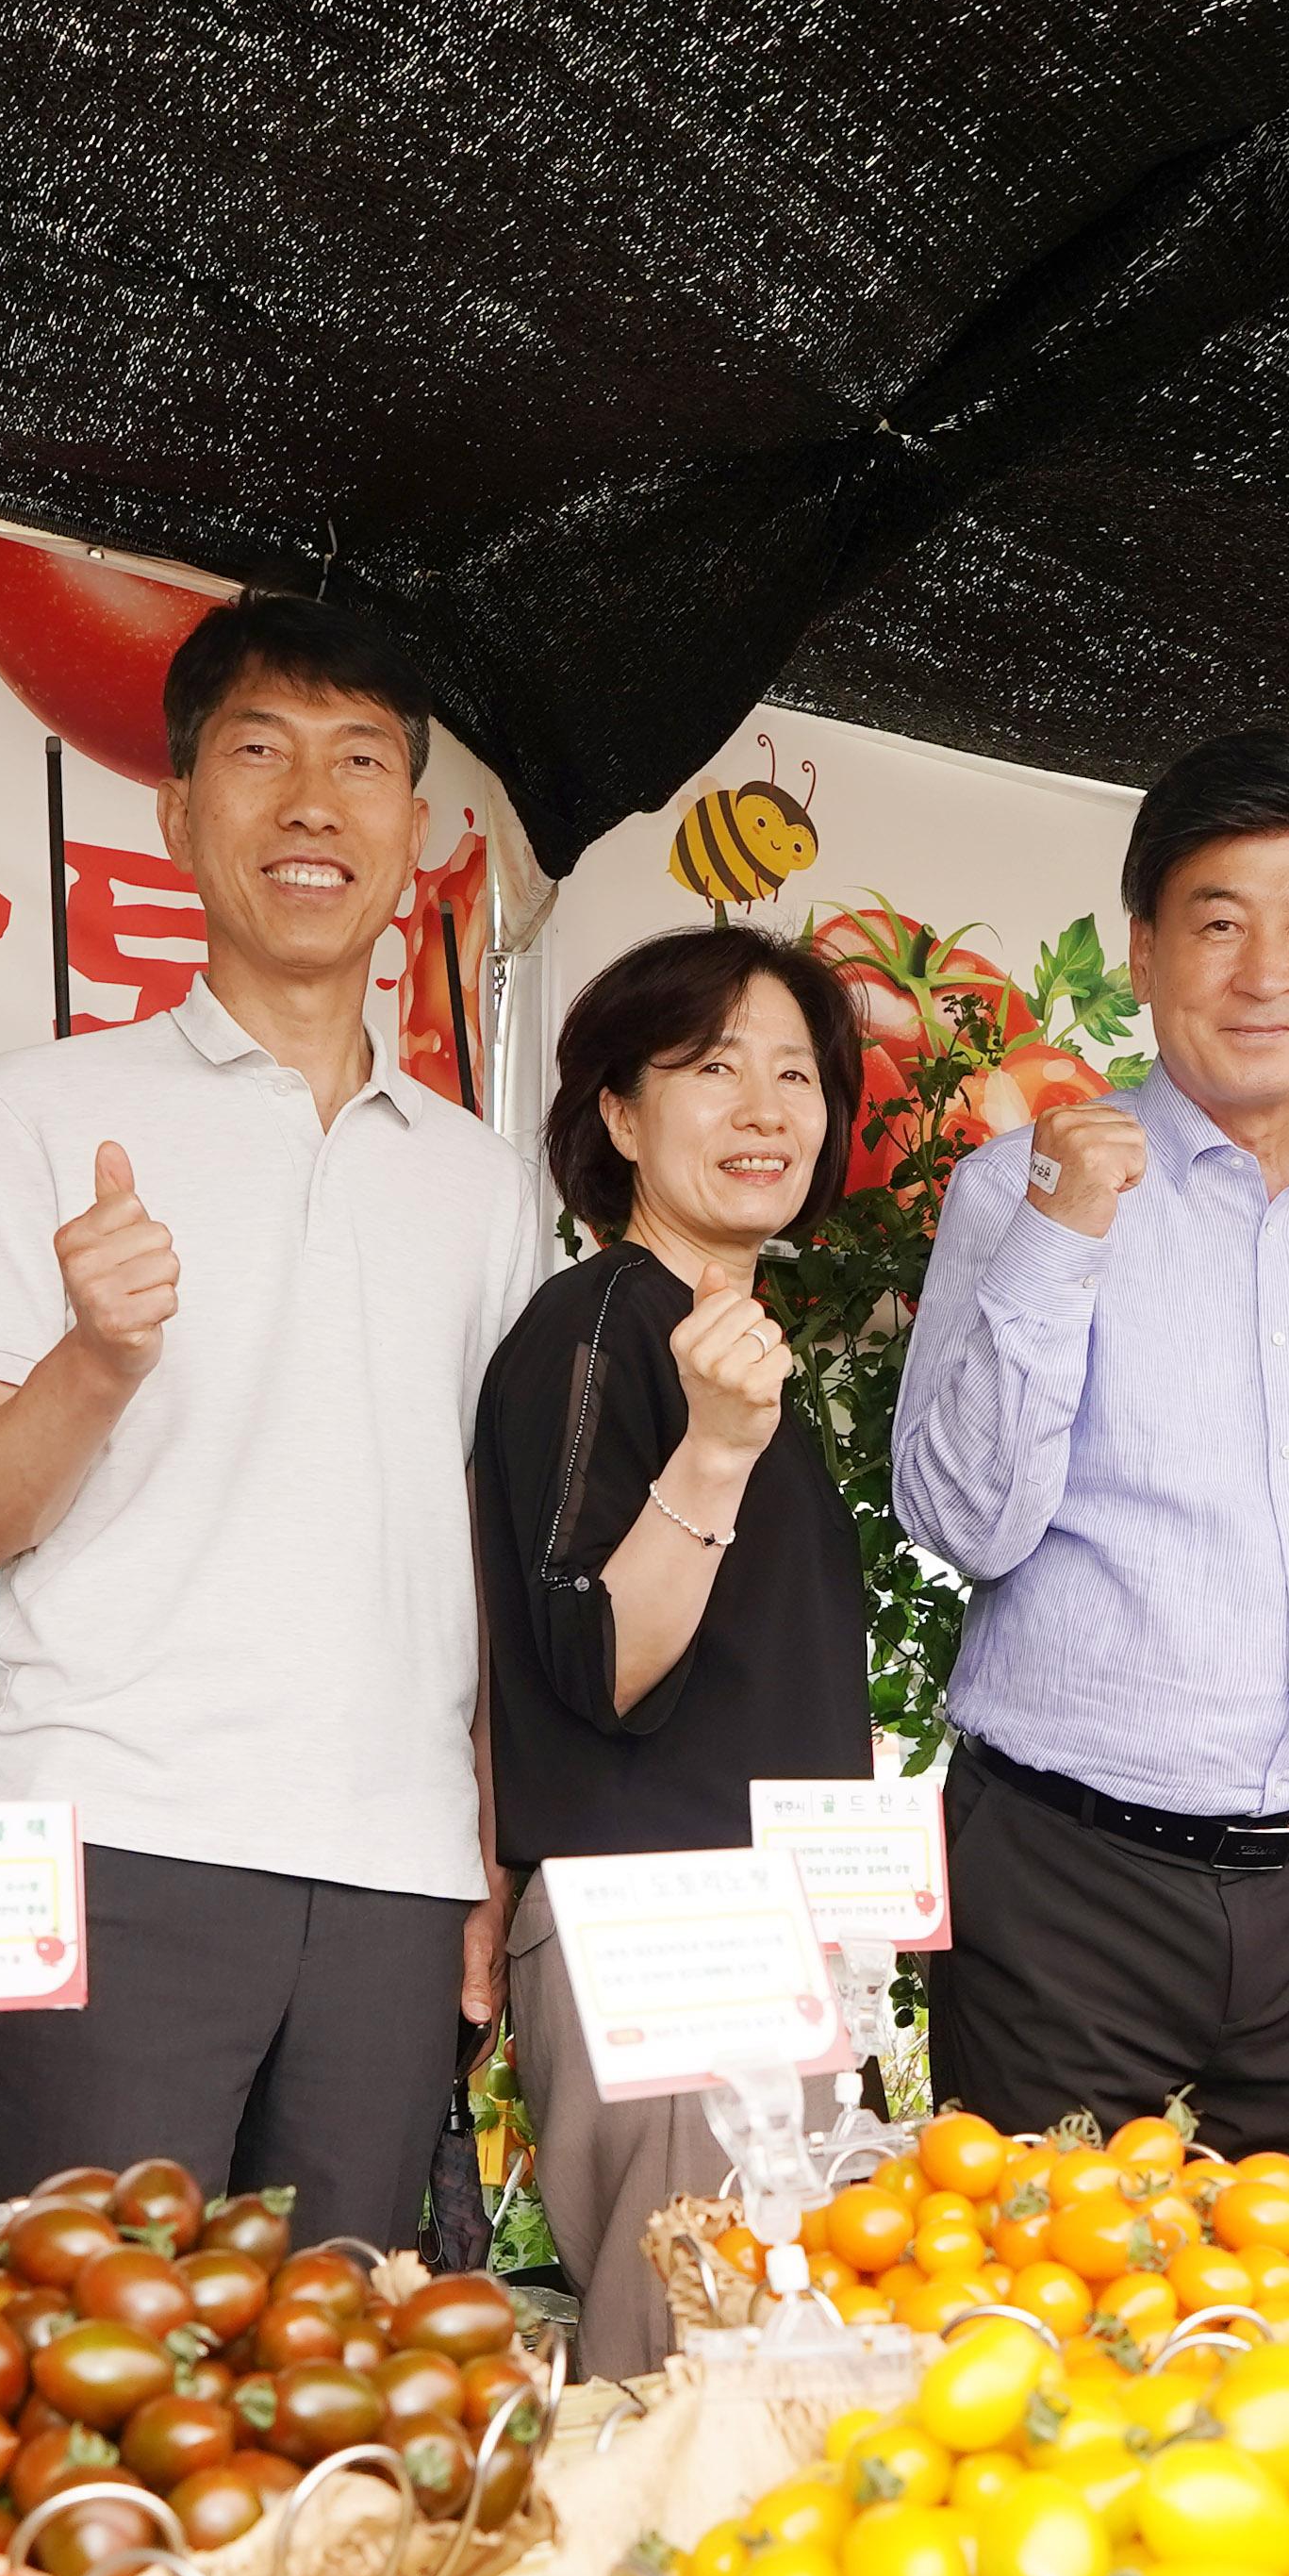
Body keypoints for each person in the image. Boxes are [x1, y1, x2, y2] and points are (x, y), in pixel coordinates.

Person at [0, 597, 540, 2236]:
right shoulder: (40, 1111)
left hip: (397, 1878)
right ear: (178, 812)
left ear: (413, 825)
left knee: (341, 2403)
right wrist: (94, 1359)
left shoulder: (481, 1186)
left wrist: (484, 1857)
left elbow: (486, 1551)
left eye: (359, 764)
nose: (311, 804)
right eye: (258, 754)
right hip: (117, 1841)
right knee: (79, 2388)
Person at [892, 731, 1289, 2159]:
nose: (1263, 970)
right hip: (1063, 1879)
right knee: (1045, 2321)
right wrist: (1058, 1239)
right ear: (1144, 950)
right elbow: (960, 1522)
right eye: (1217, 923)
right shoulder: (1017, 1186)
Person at [472, 931, 868, 2375]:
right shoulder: (595, 1331)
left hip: (762, 1936)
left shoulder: (718, 1337)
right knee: (690, 2373)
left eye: (794, 1074)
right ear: (621, 1117)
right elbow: (598, 1663)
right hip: (666, 1940)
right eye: (713, 1069)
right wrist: (709, 1456)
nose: (766, 1108)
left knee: (769, 2377)